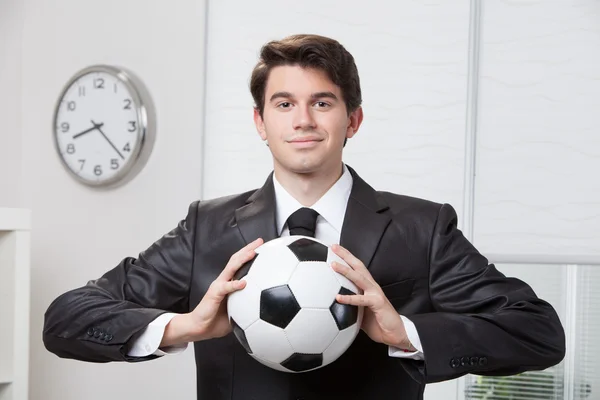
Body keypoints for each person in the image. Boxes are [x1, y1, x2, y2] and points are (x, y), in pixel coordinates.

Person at [43, 34, 566, 400]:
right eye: (284, 104)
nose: (304, 121)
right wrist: (186, 326)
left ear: (352, 120)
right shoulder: (207, 229)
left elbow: (539, 332)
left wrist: (405, 332)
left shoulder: (422, 229)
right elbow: (66, 318)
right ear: (260, 121)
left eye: (322, 103)